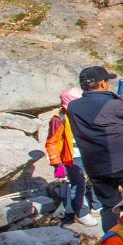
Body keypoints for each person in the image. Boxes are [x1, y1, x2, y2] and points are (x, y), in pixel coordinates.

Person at [66, 66, 123, 232]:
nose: (108, 84)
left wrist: (122, 100)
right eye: (107, 81)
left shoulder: (73, 107)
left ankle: (112, 242)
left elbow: (103, 119)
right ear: (101, 84)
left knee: (109, 207)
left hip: (96, 167)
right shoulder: (110, 105)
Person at [45, 87, 100, 226]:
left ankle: (96, 206)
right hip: (72, 157)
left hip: (88, 153)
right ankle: (81, 213)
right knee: (78, 184)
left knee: (94, 180)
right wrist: (57, 163)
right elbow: (52, 142)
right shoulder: (59, 119)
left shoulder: (83, 114)